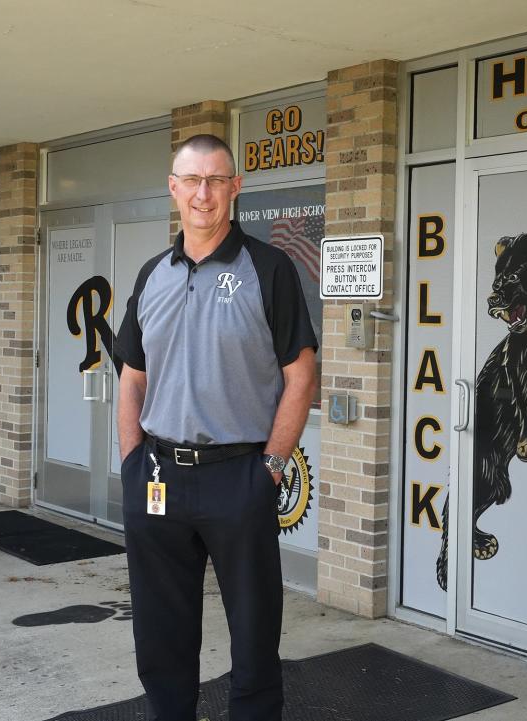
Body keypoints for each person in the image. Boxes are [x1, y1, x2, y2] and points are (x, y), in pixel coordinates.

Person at [114, 133, 318, 721]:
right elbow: (132, 376)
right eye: (192, 181)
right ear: (173, 189)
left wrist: (271, 468)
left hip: (240, 476)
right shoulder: (153, 274)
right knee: (160, 632)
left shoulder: (269, 268)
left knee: (255, 634)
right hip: (156, 478)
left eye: (217, 180)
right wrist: (132, 464)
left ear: (236, 187)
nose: (204, 193)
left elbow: (301, 376)